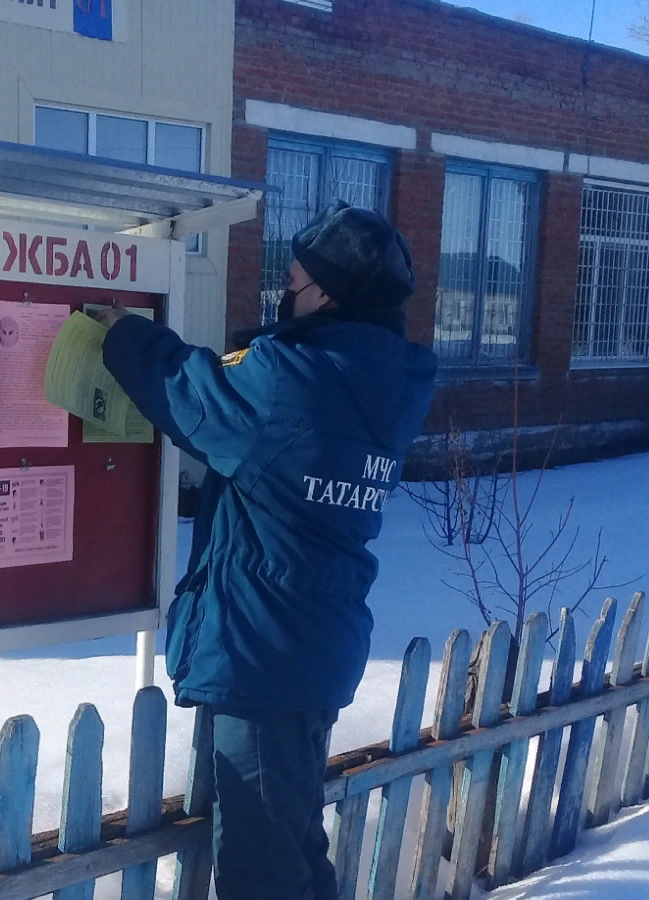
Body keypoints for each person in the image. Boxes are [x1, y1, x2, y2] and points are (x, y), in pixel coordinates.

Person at [96, 201, 438, 899]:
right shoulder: (382, 380)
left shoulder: (294, 381)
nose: (284, 293)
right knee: (295, 851)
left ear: (327, 295)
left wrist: (121, 333)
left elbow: (189, 391)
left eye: (294, 282)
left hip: (264, 655)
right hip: (311, 646)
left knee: (261, 872)